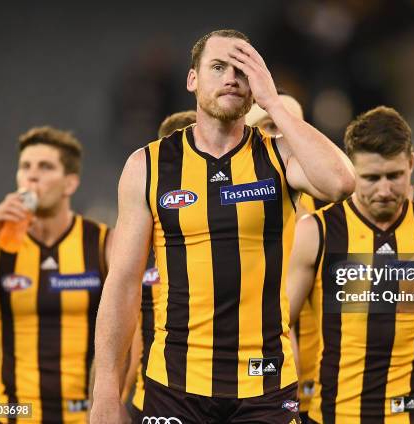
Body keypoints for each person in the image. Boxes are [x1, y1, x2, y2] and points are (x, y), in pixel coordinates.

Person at [91, 29, 355, 424]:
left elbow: (341, 182)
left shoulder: (278, 157)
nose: (231, 77)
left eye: (242, 70)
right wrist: (106, 395)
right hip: (175, 387)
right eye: (218, 67)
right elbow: (123, 282)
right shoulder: (147, 166)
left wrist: (274, 104)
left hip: (264, 388)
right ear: (192, 79)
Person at [287, 106, 414, 423]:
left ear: (411, 163)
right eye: (371, 178)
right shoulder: (318, 231)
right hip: (333, 416)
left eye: (394, 176)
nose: (384, 191)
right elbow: (278, 328)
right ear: (352, 170)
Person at [0, 126, 111, 424]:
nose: (32, 176)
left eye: (45, 167)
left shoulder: (101, 242)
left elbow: (131, 327)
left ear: (70, 183)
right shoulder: (0, 244)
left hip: (84, 417)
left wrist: (111, 403)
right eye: (25, 167)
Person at [245, 93, 319, 423]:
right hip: (247, 386)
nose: (282, 138)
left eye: (292, 128)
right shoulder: (213, 213)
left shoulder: (332, 214)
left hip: (323, 390)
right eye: (270, 126)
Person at [122, 110, 197, 423]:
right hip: (156, 403)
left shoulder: (280, 229)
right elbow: (130, 337)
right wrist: (110, 398)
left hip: (251, 394)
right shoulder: (137, 237)